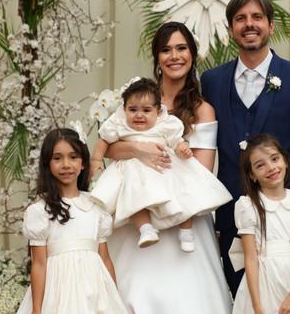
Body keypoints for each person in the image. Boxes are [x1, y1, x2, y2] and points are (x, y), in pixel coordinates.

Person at [200, 0, 290, 295]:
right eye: (241, 18)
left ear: (271, 26)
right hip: (235, 221)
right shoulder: (212, 81)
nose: (250, 24)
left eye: (257, 17)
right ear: (231, 29)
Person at [103, 22, 232, 313]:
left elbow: (201, 171)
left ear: (192, 53)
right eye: (166, 50)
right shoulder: (138, 99)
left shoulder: (202, 109)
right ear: (157, 58)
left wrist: (163, 192)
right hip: (138, 210)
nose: (174, 56)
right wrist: (139, 148)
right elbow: (110, 147)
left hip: (182, 211)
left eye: (181, 48)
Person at [90, 77, 231, 252]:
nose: (139, 115)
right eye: (132, 109)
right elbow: (104, 141)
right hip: (133, 172)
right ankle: (146, 229)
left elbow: (176, 141)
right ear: (124, 109)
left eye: (146, 110)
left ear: (158, 111)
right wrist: (96, 159)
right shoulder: (119, 124)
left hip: (164, 168)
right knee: (133, 198)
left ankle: (186, 231)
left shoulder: (164, 124)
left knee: (182, 194)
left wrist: (182, 149)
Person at [16, 128, 127, 314]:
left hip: (95, 291)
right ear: (47, 164)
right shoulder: (40, 211)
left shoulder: (96, 207)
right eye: (57, 158)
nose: (66, 164)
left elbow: (105, 259)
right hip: (59, 294)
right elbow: (39, 264)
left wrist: (114, 296)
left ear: (83, 162)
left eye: (73, 157)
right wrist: (36, 309)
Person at [231, 134, 290, 314]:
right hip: (264, 284)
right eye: (260, 165)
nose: (271, 167)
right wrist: (257, 306)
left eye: (275, 159)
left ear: (285, 161)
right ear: (252, 175)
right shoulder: (248, 206)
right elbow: (250, 259)